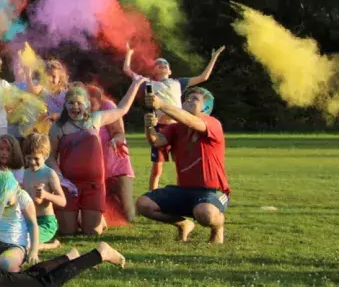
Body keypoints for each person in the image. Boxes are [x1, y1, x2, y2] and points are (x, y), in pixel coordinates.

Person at [49, 78, 147, 236]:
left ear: (86, 104)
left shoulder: (96, 119)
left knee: (92, 233)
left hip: (93, 185)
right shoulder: (58, 127)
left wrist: (135, 85)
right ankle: (78, 218)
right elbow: (50, 157)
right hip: (69, 185)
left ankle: (93, 220)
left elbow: (122, 109)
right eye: (71, 103)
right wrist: (60, 179)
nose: (75, 106)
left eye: (79, 103)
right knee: (68, 232)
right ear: (65, 106)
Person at [124, 44, 224, 190]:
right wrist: (129, 53)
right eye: (158, 64)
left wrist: (214, 58)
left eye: (165, 63)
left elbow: (204, 77)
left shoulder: (178, 82)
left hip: (179, 126)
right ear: (153, 71)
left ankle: (184, 188)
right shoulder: (148, 83)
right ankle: (153, 193)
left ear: (170, 71)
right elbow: (127, 70)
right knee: (157, 168)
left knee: (181, 162)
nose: (162, 64)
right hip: (160, 129)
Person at [137, 87, 230, 244]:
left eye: (195, 99)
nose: (188, 100)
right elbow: (156, 141)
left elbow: (192, 121)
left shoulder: (212, 123)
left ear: (206, 108)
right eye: (187, 98)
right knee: (143, 204)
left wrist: (161, 104)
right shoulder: (175, 128)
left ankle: (218, 227)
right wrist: (149, 127)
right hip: (184, 190)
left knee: (205, 214)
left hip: (212, 191)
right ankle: (184, 224)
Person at [87, 85, 136, 222]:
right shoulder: (80, 113)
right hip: (97, 171)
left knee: (127, 215)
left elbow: (119, 132)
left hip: (116, 166)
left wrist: (116, 141)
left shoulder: (107, 107)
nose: (88, 107)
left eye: (91, 103)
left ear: (99, 100)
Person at [21, 133, 65, 250]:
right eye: (29, 158)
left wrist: (46, 195)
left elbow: (63, 201)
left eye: (36, 158)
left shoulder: (49, 174)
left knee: (25, 243)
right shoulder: (26, 173)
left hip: (45, 223)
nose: (32, 162)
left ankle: (51, 245)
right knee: (11, 238)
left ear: (45, 156)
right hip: (29, 221)